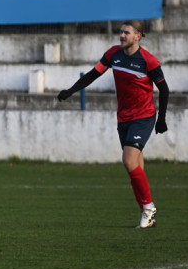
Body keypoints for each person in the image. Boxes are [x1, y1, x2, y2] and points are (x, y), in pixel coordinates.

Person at [57, 20, 170, 229]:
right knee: (135, 167)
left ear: (138, 36)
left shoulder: (148, 60)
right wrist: (71, 90)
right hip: (123, 117)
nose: (122, 36)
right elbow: (93, 75)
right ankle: (146, 214)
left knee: (128, 161)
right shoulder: (112, 54)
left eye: (126, 33)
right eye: (121, 32)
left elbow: (164, 90)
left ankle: (149, 207)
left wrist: (161, 119)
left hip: (144, 116)